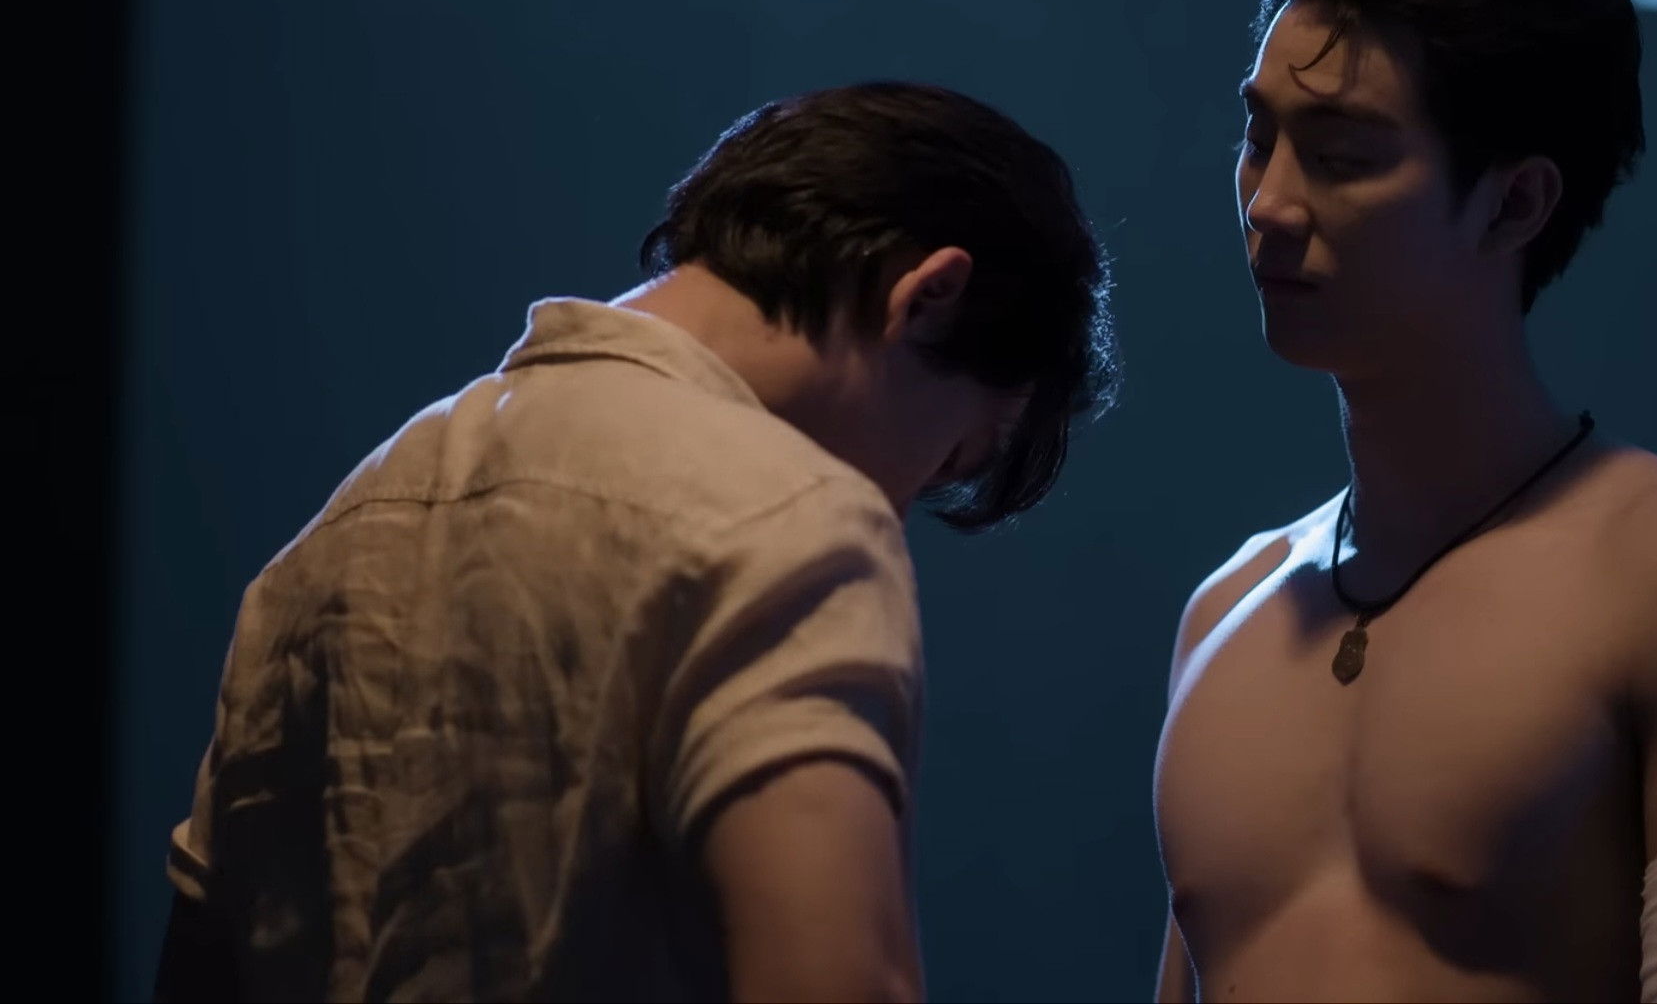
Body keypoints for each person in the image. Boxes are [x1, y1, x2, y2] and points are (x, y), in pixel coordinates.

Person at [154, 82, 1118, 1002]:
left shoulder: (339, 530)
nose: (897, 507)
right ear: (930, 294)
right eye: (949, 455)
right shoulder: (792, 517)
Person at [1152, 0, 1657, 1003]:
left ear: (1515, 202)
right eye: (1259, 138)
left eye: (1340, 154)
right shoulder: (1225, 615)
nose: (1271, 203)